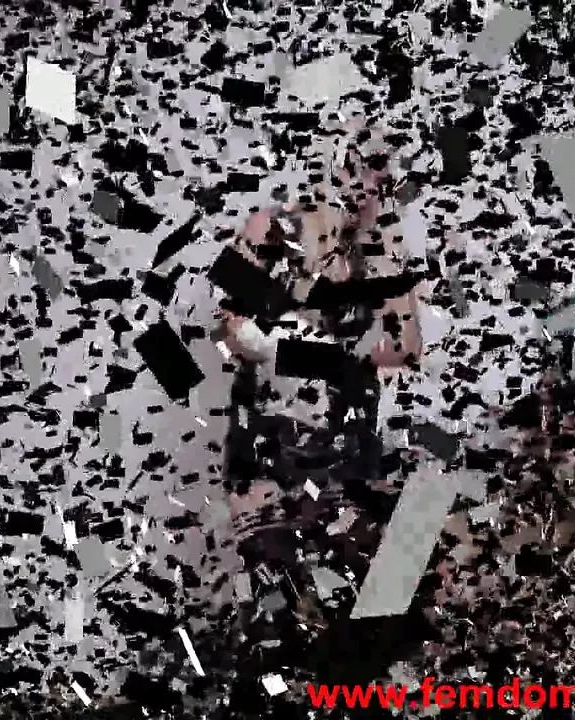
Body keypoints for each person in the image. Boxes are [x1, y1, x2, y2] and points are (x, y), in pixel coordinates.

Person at [206, 141, 427, 709]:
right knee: (279, 591)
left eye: (378, 182)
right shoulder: (275, 230)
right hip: (276, 441)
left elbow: (405, 348)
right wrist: (322, 353)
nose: (365, 192)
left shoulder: (383, 255)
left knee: (367, 591)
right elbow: (233, 328)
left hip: (341, 445)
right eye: (359, 174)